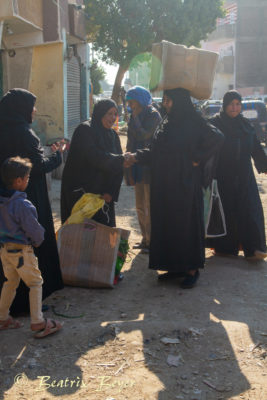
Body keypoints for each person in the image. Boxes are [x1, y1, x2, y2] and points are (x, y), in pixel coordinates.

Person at [125, 88, 224, 288]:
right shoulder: (167, 122)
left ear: (180, 101)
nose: (166, 104)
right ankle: (174, 266)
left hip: (185, 183)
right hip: (164, 182)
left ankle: (191, 269)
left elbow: (218, 137)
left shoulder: (194, 121)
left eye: (169, 101)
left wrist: (197, 157)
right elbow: (156, 151)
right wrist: (137, 156)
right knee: (168, 223)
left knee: (185, 224)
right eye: (166, 101)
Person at [0, 88, 64, 314]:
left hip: (4, 197)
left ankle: (8, 306)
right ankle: (31, 303)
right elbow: (38, 167)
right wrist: (57, 156)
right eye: (32, 107)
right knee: (30, 243)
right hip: (29, 194)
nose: (35, 111)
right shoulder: (25, 134)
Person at [0, 157, 62, 337]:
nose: (28, 181)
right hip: (22, 251)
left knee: (10, 282)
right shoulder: (22, 204)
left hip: (4, 251)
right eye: (27, 178)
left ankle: (3, 317)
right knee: (35, 283)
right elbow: (34, 230)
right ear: (19, 181)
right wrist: (39, 240)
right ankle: (38, 322)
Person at [207, 90, 267, 260]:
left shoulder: (246, 125)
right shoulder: (214, 123)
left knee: (250, 209)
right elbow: (204, 147)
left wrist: (264, 165)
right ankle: (225, 248)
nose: (234, 107)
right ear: (225, 105)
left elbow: (256, 148)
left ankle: (254, 249)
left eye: (237, 104)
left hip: (244, 176)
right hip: (222, 176)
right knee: (226, 211)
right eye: (231, 104)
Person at [61, 99, 127, 227]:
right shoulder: (85, 130)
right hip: (82, 193)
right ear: (100, 113)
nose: (113, 118)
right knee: (81, 234)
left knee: (103, 235)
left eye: (115, 114)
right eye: (109, 114)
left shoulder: (113, 135)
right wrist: (121, 159)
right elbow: (94, 156)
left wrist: (111, 192)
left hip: (104, 196)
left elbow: (119, 167)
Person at [125, 86, 162, 253]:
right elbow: (131, 142)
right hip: (136, 166)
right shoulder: (134, 117)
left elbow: (144, 135)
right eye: (129, 103)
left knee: (150, 206)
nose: (131, 105)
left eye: (133, 102)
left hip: (150, 167)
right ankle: (145, 238)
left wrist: (135, 119)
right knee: (139, 206)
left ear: (140, 101)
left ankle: (152, 241)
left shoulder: (154, 115)